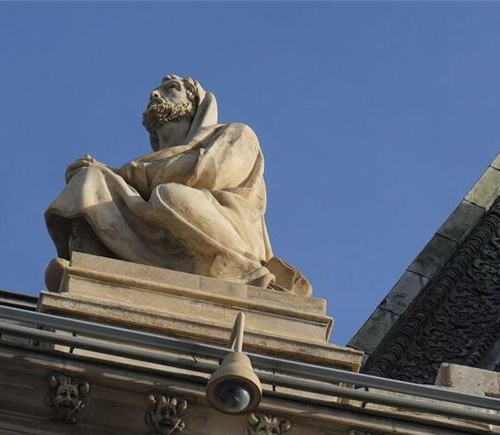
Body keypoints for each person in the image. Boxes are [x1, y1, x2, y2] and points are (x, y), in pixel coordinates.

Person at [44, 75, 311, 296]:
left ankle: (248, 274)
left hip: (223, 228)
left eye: (171, 88)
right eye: (156, 90)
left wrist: (127, 173)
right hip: (157, 214)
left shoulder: (236, 134)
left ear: (196, 104)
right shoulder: (138, 175)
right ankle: (90, 267)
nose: (155, 94)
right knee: (90, 179)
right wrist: (107, 173)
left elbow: (204, 173)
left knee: (172, 195)